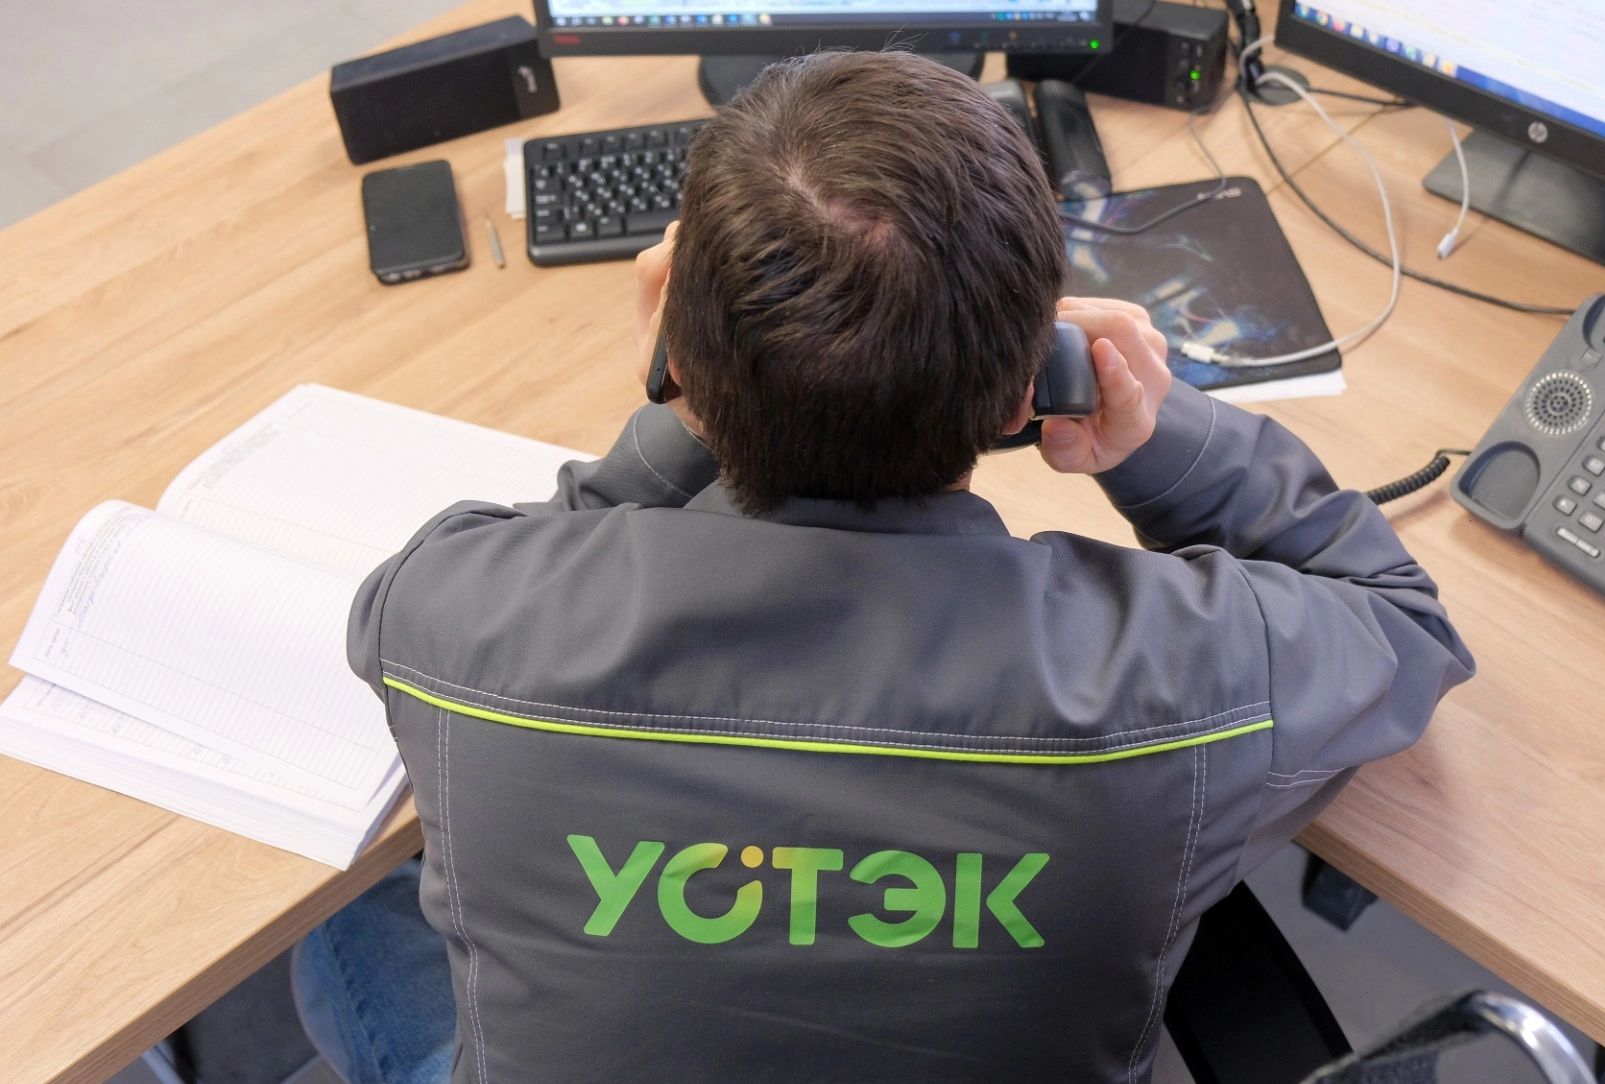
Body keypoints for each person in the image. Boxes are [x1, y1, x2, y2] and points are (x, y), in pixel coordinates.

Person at [295, 49, 1474, 1084]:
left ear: (676, 356)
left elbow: (447, 583)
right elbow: (1398, 620)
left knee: (353, 919)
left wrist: (683, 401)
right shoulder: (1183, 675)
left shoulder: (459, 619)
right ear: (1029, 390)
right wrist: (1158, 430)